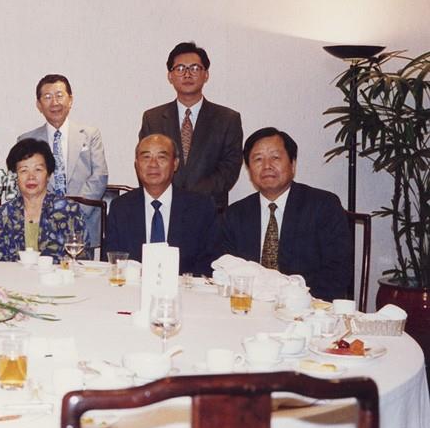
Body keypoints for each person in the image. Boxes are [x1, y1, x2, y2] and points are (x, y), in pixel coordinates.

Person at [220, 127, 352, 301]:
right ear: (249, 169)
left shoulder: (323, 206)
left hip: (307, 307)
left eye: (275, 157)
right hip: (251, 307)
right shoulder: (235, 214)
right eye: (258, 159)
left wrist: (296, 300)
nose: (267, 166)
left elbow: (338, 272)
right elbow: (227, 270)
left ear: (293, 164)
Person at [140, 42, 243, 211]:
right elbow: (146, 164)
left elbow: (229, 169)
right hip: (165, 210)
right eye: (180, 68)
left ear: (206, 75)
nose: (187, 74)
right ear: (170, 76)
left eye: (194, 68)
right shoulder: (153, 118)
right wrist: (170, 197)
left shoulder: (227, 119)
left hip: (210, 210)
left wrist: (190, 196)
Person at [103, 134, 218, 276]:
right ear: (137, 164)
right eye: (146, 157)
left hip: (184, 287)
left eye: (161, 157)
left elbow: (209, 262)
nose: (153, 164)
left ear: (175, 164)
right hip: (134, 287)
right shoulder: (121, 207)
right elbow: (112, 260)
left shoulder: (200, 208)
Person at [18, 74, 108, 248]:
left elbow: (99, 176)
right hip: (41, 225)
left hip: (83, 222)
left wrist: (73, 214)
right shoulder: (26, 140)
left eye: (59, 95)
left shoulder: (90, 135)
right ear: (39, 105)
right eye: (47, 97)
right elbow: (23, 183)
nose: (54, 102)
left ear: (70, 100)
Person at [0, 138, 86, 262]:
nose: (31, 177)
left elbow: (83, 257)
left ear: (48, 175)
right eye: (24, 170)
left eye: (38, 169)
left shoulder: (69, 211)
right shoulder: (3, 214)